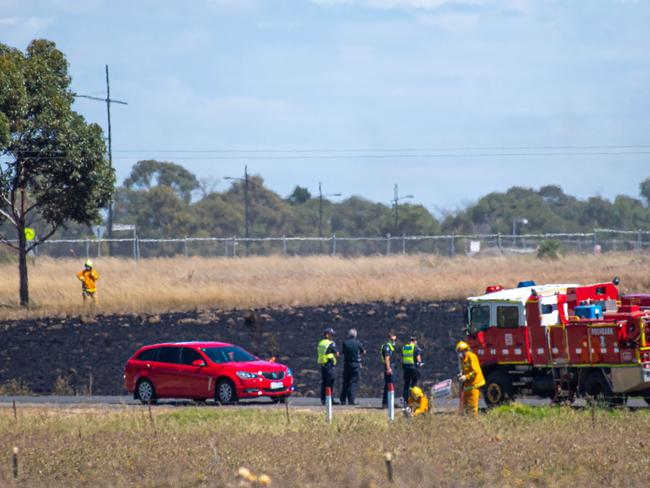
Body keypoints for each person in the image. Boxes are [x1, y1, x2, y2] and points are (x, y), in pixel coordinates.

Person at [456, 341, 485, 417]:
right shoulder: (463, 359)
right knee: (465, 404)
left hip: (475, 384)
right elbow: (465, 369)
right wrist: (462, 374)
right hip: (468, 384)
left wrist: (466, 377)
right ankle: (467, 419)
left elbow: (475, 371)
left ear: (465, 350)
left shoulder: (471, 356)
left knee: (472, 404)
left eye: (461, 351)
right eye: (459, 352)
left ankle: (474, 421)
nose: (460, 354)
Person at [339, 328, 366, 405]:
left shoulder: (345, 343)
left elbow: (343, 352)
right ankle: (351, 400)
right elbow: (363, 351)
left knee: (345, 382)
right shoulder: (358, 343)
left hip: (347, 364)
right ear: (355, 335)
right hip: (355, 365)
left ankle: (343, 399)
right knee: (353, 382)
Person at [317, 327, 339, 405]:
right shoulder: (330, 343)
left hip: (323, 365)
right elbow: (336, 353)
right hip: (329, 365)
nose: (332, 337)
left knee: (324, 383)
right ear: (327, 335)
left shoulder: (321, 343)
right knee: (330, 383)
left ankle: (324, 399)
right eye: (331, 335)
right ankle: (330, 400)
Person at [402, 335, 423, 405]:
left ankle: (405, 400)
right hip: (413, 368)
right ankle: (413, 396)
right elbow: (418, 358)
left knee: (406, 384)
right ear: (414, 341)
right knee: (415, 381)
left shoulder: (405, 347)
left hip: (405, 368)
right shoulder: (415, 348)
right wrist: (420, 363)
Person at [381, 332, 397, 408]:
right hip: (389, 367)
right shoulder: (387, 347)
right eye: (392, 339)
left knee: (388, 385)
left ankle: (386, 403)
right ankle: (388, 403)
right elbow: (387, 359)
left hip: (391, 366)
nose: (394, 341)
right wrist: (388, 368)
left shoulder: (390, 346)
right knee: (390, 385)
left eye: (394, 340)